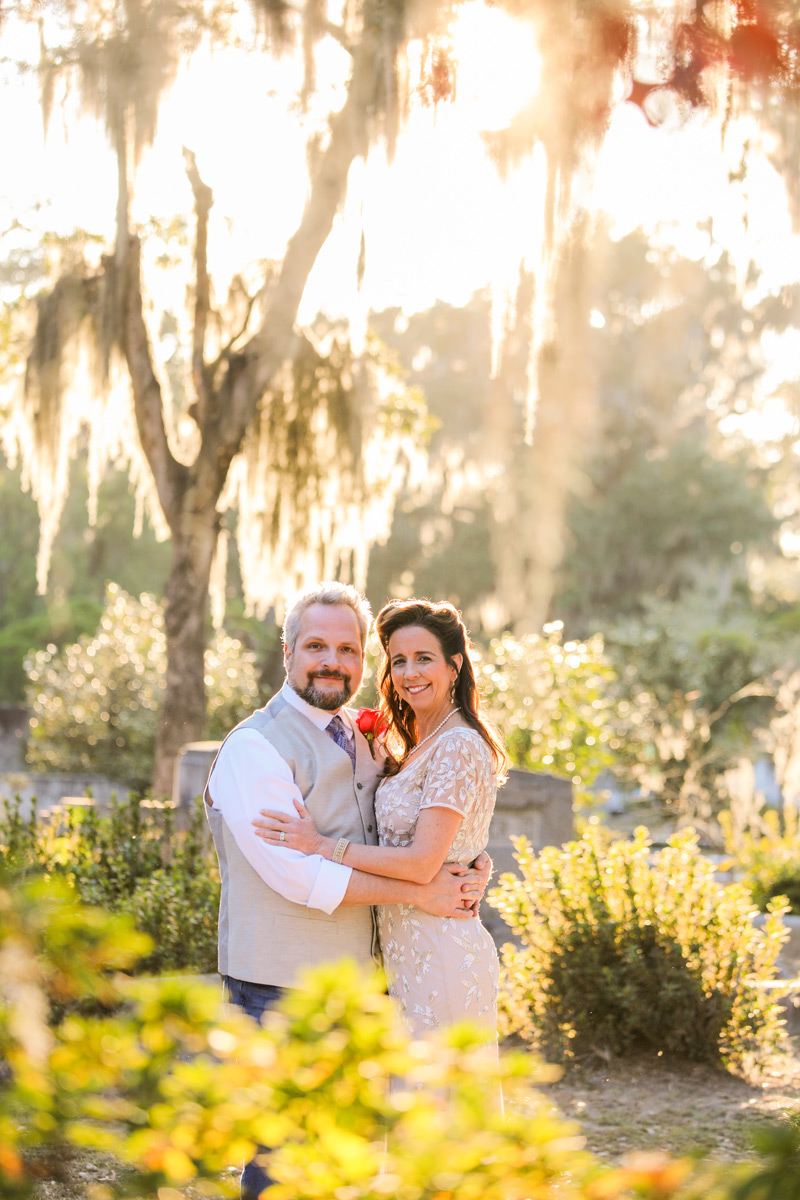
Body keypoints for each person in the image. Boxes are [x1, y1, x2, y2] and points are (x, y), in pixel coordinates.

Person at [204, 583, 490, 1199]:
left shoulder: (364, 738)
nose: (332, 662)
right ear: (288, 653)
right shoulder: (255, 747)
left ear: (363, 660)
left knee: (350, 1164)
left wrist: (468, 857)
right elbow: (296, 873)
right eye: (316, 647)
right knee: (283, 1163)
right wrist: (419, 892)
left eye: (348, 649)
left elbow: (414, 831)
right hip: (280, 987)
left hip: (367, 982)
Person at [253, 597, 507, 1043]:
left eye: (424, 658)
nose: (409, 673)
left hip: (440, 951)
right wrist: (473, 857)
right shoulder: (414, 741)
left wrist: (322, 846)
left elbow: (423, 863)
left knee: (437, 1084)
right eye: (399, 661)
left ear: (454, 666)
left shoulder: (458, 744)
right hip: (402, 953)